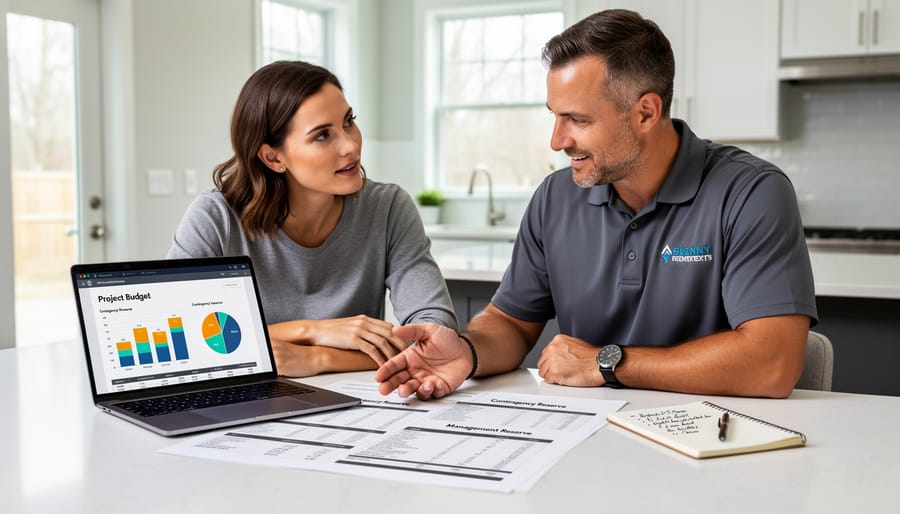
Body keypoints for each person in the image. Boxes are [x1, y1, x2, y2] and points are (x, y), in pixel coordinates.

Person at [376, 9, 817, 400]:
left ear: (646, 112)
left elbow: (772, 364)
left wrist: (607, 364)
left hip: (709, 440)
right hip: (585, 438)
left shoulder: (751, 192)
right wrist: (468, 352)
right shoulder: (555, 197)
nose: (557, 140)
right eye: (555, 115)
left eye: (578, 120)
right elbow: (510, 323)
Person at [168, 60, 457, 377]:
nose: (351, 145)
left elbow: (435, 339)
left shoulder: (388, 209)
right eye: (322, 136)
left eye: (349, 121)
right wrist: (313, 330)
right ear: (273, 157)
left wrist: (317, 360)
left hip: (360, 404)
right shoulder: (216, 218)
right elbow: (178, 340)